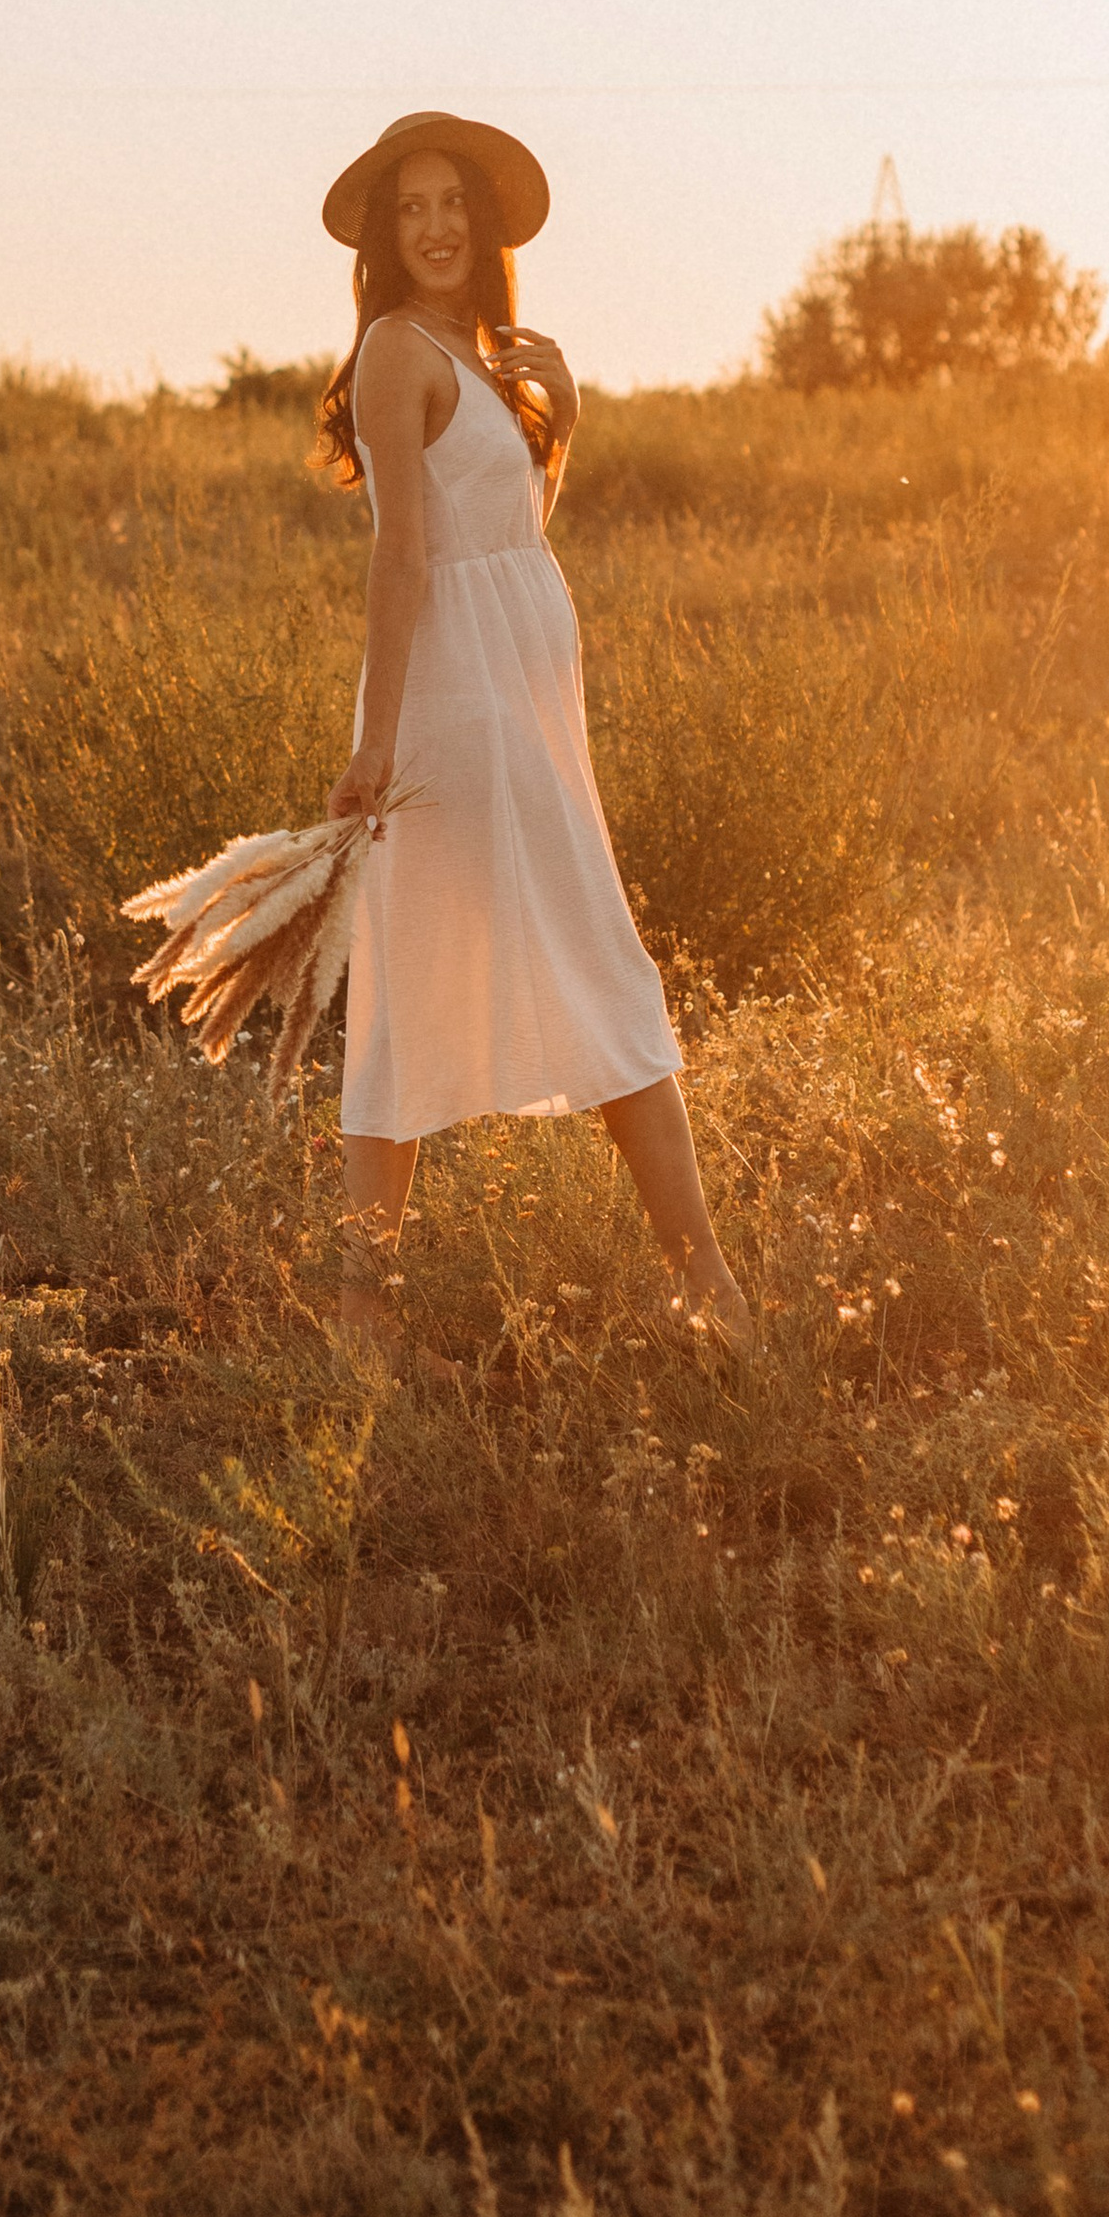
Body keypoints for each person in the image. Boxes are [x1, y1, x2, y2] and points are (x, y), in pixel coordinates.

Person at [312, 109, 754, 1359]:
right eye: (412, 209)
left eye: (452, 202)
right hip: (454, 703)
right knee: (503, 973)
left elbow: (508, 532)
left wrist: (565, 418)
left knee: (494, 970)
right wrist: (376, 742)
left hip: (518, 694)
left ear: (485, 222)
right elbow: (405, 555)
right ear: (386, 238)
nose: (435, 226)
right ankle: (700, 1286)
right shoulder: (395, 351)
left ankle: (371, 1312)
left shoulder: (484, 353)